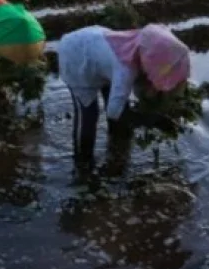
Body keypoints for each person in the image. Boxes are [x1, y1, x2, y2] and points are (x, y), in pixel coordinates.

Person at [58, 24, 190, 168]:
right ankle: (82, 162)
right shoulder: (125, 70)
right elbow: (114, 112)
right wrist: (151, 120)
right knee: (89, 115)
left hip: (98, 51)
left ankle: (117, 149)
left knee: (119, 107)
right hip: (76, 56)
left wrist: (156, 108)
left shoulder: (141, 50)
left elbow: (141, 91)